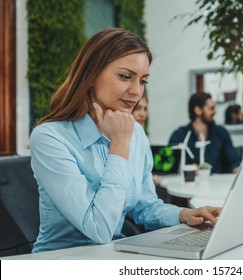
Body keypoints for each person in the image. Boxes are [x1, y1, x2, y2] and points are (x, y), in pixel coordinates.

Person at [29, 28, 221, 253]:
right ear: (91, 74)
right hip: (61, 261)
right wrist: (119, 145)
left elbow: (145, 207)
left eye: (143, 81)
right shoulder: (50, 138)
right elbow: (99, 228)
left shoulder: (135, 133)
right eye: (125, 76)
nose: (136, 91)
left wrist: (184, 214)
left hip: (113, 254)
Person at [168, 92, 241, 174]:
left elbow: (235, 161)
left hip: (217, 185)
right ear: (198, 110)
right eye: (211, 108)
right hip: (188, 184)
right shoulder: (179, 136)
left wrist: (237, 169)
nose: (215, 112)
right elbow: (170, 165)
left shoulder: (221, 132)